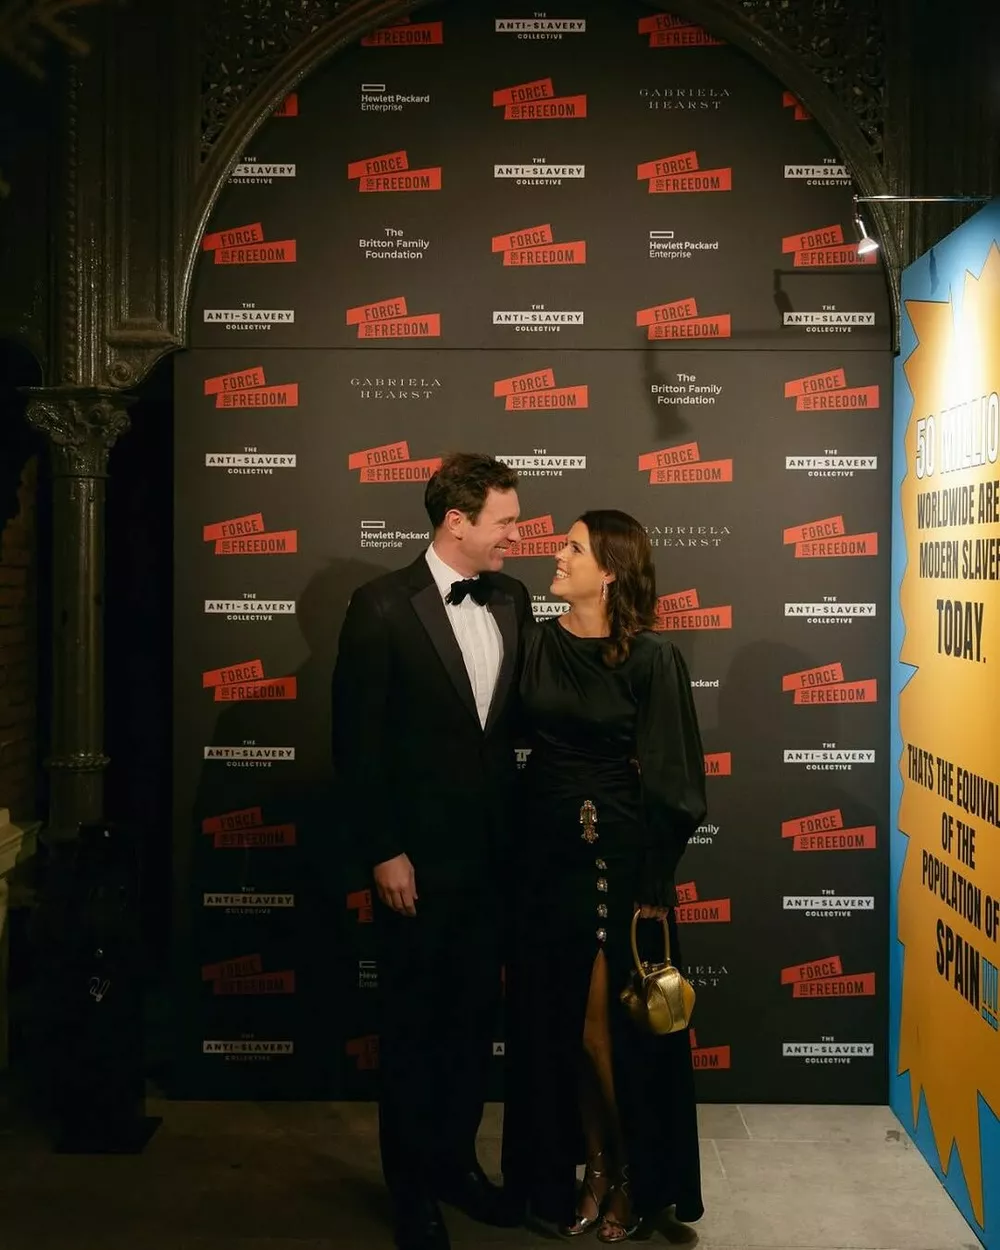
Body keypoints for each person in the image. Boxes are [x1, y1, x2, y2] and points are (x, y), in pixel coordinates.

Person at [331, 453, 531, 1250]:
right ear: (457, 521)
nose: (516, 535)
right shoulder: (381, 605)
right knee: (414, 1030)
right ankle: (411, 1190)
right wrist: (384, 849)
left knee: (473, 1025)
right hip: (415, 864)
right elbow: (357, 743)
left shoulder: (513, 599)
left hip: (494, 862)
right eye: (505, 522)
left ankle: (456, 1165)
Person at [501, 509, 707, 1242]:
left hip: (618, 863)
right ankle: (591, 1166)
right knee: (559, 1030)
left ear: (611, 571)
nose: (557, 555)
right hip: (542, 857)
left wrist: (655, 877)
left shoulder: (652, 658)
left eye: (574, 548)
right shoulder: (536, 644)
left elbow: (677, 779)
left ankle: (629, 1174)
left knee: (606, 1033)